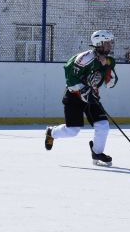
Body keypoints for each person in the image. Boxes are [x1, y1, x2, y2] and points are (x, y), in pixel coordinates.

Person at [44, 30, 118, 166]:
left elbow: (112, 80)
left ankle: (97, 152)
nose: (110, 46)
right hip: (74, 97)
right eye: (107, 43)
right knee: (73, 131)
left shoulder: (106, 61)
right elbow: (70, 78)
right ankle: (52, 132)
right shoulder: (84, 58)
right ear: (99, 44)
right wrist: (83, 90)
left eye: (110, 42)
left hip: (91, 97)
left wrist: (108, 72)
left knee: (103, 125)